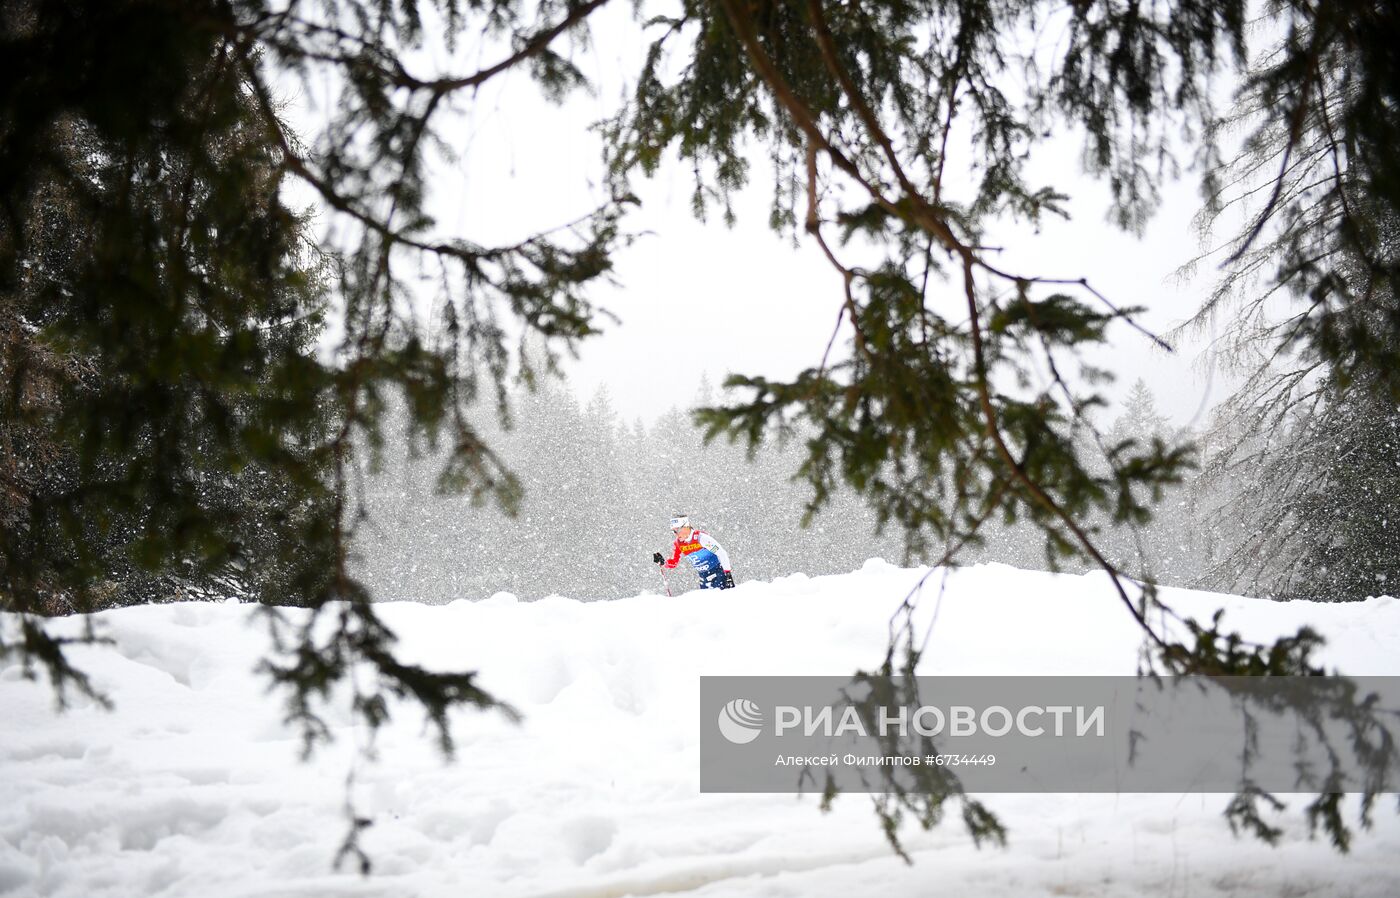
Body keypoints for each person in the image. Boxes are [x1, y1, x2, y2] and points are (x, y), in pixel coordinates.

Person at [652, 515, 735, 589]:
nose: (676, 534)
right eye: (673, 531)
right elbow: (673, 562)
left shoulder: (701, 538)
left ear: (686, 527)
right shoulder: (679, 544)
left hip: (718, 574)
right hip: (703, 578)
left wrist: (728, 574)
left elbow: (721, 553)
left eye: (677, 530)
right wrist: (663, 563)